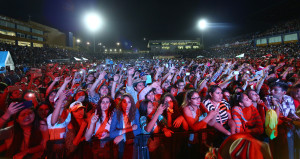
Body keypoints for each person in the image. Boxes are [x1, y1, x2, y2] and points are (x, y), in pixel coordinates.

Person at [110, 93, 141, 159]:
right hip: (120, 146)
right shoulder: (116, 113)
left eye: (129, 102)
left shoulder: (135, 111)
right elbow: (111, 134)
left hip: (133, 143)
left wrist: (123, 136)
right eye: (124, 102)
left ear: (132, 103)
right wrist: (130, 129)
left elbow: (138, 130)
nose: (127, 105)